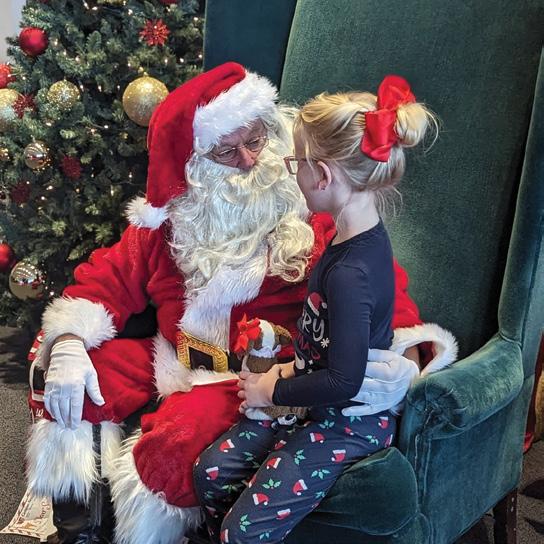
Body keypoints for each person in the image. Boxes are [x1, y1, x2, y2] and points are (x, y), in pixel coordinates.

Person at [25, 63, 456, 544]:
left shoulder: (308, 213)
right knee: (70, 383)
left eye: (256, 141)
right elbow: (106, 278)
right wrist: (68, 340)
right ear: (193, 161)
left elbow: (382, 290)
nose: (250, 160)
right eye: (227, 151)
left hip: (260, 374)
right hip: (175, 357)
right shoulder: (170, 220)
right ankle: (82, 532)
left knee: (175, 443)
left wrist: (406, 357)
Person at [192, 75, 438, 544]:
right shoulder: (344, 235)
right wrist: (285, 372)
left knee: (242, 532)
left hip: (347, 419)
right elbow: (323, 347)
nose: (293, 173)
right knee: (211, 471)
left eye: (296, 163)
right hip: (310, 393)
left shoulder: (350, 273)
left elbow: (344, 382)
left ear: (322, 176)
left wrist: (271, 389)